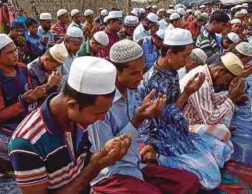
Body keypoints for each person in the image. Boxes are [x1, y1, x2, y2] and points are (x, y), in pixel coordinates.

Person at [89, 39, 200, 194]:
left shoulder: (132, 92)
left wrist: (149, 118)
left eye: (142, 71)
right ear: (115, 72)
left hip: (135, 163)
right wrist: (138, 119)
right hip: (111, 173)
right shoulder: (100, 104)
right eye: (134, 73)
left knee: (190, 182)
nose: (141, 78)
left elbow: (142, 128)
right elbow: (105, 153)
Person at [8, 56, 131, 194]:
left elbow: (78, 162)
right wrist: (95, 167)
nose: (102, 119)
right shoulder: (26, 143)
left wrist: (102, 155)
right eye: (97, 113)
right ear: (72, 105)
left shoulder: (78, 120)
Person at [136, 28, 233, 190]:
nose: (188, 61)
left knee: (225, 147)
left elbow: (175, 110)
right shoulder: (154, 81)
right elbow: (161, 119)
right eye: (185, 55)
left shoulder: (172, 72)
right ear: (169, 53)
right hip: (163, 137)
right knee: (212, 180)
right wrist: (188, 93)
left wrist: (188, 92)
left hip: (180, 130)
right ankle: (158, 159)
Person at [0, 34, 46, 138]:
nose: (15, 54)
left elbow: (31, 93)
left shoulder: (22, 68)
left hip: (27, 117)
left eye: (15, 50)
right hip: (9, 126)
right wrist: (24, 102)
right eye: (10, 52)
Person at [180, 52, 245, 142]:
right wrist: (231, 98)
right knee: (224, 132)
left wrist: (230, 94)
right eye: (228, 80)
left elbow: (211, 99)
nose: (226, 83)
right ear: (221, 71)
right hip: (183, 125)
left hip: (197, 119)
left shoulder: (203, 71)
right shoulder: (201, 81)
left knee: (228, 106)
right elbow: (210, 120)